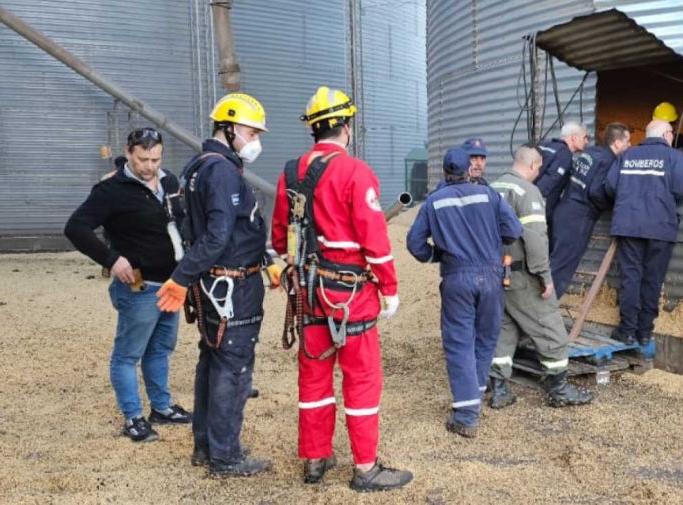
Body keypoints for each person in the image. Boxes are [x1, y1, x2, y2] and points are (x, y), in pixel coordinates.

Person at [270, 86, 412, 492]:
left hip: (308, 294)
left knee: (313, 378)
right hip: (350, 297)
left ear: (313, 130)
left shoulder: (291, 171)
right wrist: (389, 287)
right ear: (346, 128)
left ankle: (315, 460)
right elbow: (374, 240)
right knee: (362, 380)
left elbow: (280, 238)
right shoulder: (355, 172)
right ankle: (365, 469)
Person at [155, 93, 279, 477]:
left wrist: (267, 259)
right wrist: (181, 278)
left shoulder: (199, 166)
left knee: (211, 360)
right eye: (249, 131)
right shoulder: (223, 171)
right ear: (227, 128)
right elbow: (218, 236)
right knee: (233, 368)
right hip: (232, 289)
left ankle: (205, 447)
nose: (255, 139)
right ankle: (226, 456)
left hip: (215, 286)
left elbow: (227, 230)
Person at [65, 127, 192, 443]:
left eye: (156, 159)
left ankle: (161, 407)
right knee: (127, 354)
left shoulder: (168, 182)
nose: (150, 166)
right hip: (139, 286)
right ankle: (133, 417)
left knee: (160, 349)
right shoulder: (111, 190)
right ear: (129, 151)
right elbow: (76, 227)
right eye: (143, 159)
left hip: (170, 284)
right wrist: (111, 259)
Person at [407, 148, 522, 438]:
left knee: (459, 342)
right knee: (485, 340)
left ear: (446, 173)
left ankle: (466, 415)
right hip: (492, 276)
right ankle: (475, 396)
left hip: (457, 276)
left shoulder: (434, 202)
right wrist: (491, 242)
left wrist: (436, 255)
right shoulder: (489, 195)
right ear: (467, 170)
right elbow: (513, 230)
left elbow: (414, 243)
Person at [487, 146, 594, 409]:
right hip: (522, 274)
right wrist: (545, 277)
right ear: (535, 165)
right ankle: (559, 390)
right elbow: (534, 239)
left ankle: (499, 390)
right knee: (551, 328)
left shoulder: (491, 188)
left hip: (494, 273)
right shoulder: (527, 192)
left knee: (504, 329)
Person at [603, 119, 683, 346]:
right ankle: (644, 332)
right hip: (661, 227)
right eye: (671, 133)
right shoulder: (675, 158)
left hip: (629, 225)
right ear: (666, 135)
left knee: (630, 277)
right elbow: (682, 189)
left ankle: (627, 330)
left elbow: (610, 186)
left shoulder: (627, 155)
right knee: (653, 279)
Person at [549, 123, 631, 298]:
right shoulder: (609, 161)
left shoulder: (591, 152)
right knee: (562, 269)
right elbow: (595, 192)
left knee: (554, 262)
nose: (629, 145)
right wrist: (613, 203)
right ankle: (544, 313)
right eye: (627, 141)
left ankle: (537, 309)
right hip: (579, 218)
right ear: (617, 143)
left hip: (563, 209)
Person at [534, 121, 588, 225]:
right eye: (584, 137)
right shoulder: (564, 155)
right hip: (539, 212)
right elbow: (545, 187)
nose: (586, 141)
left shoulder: (544, 144)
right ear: (574, 137)